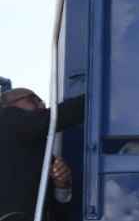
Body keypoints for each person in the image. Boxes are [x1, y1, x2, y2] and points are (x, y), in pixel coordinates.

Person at [0, 88, 84, 221]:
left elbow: (59, 215)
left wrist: (62, 187)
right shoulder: (6, 117)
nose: (42, 105)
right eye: (33, 99)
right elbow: (51, 119)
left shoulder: (45, 157)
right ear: (8, 105)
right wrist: (93, 99)